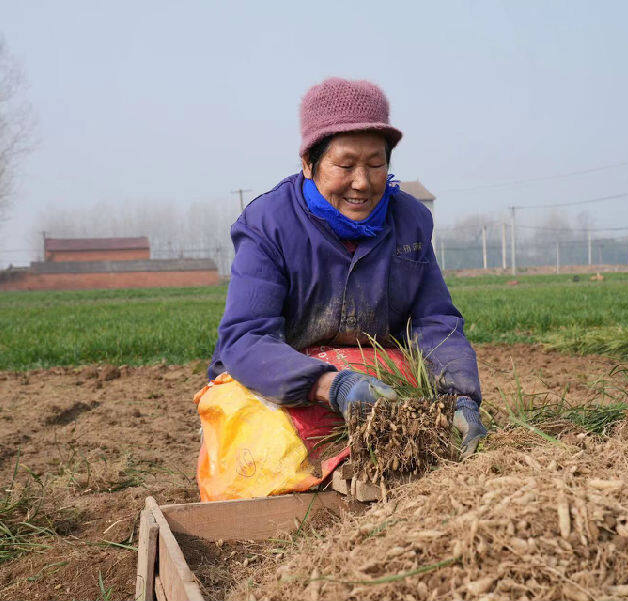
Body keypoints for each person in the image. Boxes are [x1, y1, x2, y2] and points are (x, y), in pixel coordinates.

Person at [207, 77, 486, 456]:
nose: (362, 183)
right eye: (346, 164)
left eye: (375, 164)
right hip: (277, 380)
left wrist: (459, 396)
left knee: (419, 441)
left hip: (373, 383)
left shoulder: (409, 221)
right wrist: (329, 385)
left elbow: (433, 320)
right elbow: (246, 337)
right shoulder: (267, 224)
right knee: (269, 455)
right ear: (309, 163)